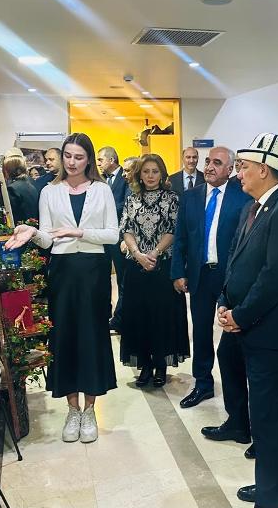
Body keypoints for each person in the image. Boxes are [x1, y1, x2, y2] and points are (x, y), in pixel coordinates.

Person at [210, 133, 278, 507]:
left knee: (268, 416)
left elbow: (275, 275)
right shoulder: (253, 207)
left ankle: (270, 496)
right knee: (269, 413)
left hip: (270, 330)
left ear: (266, 170)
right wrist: (225, 300)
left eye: (244, 167)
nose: (238, 174)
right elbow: (237, 260)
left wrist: (241, 315)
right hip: (248, 323)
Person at [5, 133, 118, 444]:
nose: (71, 162)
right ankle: (72, 410)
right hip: (63, 272)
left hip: (94, 271)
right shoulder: (49, 191)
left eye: (78, 157)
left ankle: (90, 410)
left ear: (89, 159)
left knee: (92, 336)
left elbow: (112, 234)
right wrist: (31, 232)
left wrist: (79, 232)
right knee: (65, 336)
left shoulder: (102, 190)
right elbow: (48, 238)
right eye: (68, 155)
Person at [171, 146, 250, 408]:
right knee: (202, 331)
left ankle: (238, 386)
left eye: (217, 163)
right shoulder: (191, 197)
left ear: (230, 169)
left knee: (234, 333)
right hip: (201, 275)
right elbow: (181, 237)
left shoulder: (243, 196)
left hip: (231, 276)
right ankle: (202, 383)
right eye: (208, 161)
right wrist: (178, 272)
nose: (209, 167)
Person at [119, 154, 189, 387]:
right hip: (136, 266)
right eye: (146, 171)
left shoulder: (172, 198)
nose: (150, 176)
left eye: (155, 171)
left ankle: (160, 365)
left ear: (162, 174)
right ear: (139, 174)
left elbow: (173, 230)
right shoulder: (132, 199)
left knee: (161, 317)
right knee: (138, 317)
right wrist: (138, 254)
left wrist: (155, 253)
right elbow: (126, 230)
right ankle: (145, 366)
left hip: (162, 266)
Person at [96, 146, 129, 332]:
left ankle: (121, 317)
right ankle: (104, 313)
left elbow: (126, 204)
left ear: (112, 159)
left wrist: (105, 208)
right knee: (102, 276)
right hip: (102, 237)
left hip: (119, 236)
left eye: (101, 160)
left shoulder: (126, 177)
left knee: (122, 279)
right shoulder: (100, 180)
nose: (98, 163)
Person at [1, 149, 39, 223]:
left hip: (21, 227)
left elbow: (11, 214)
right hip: (34, 225)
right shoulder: (32, 183)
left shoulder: (13, 188)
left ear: (9, 170)